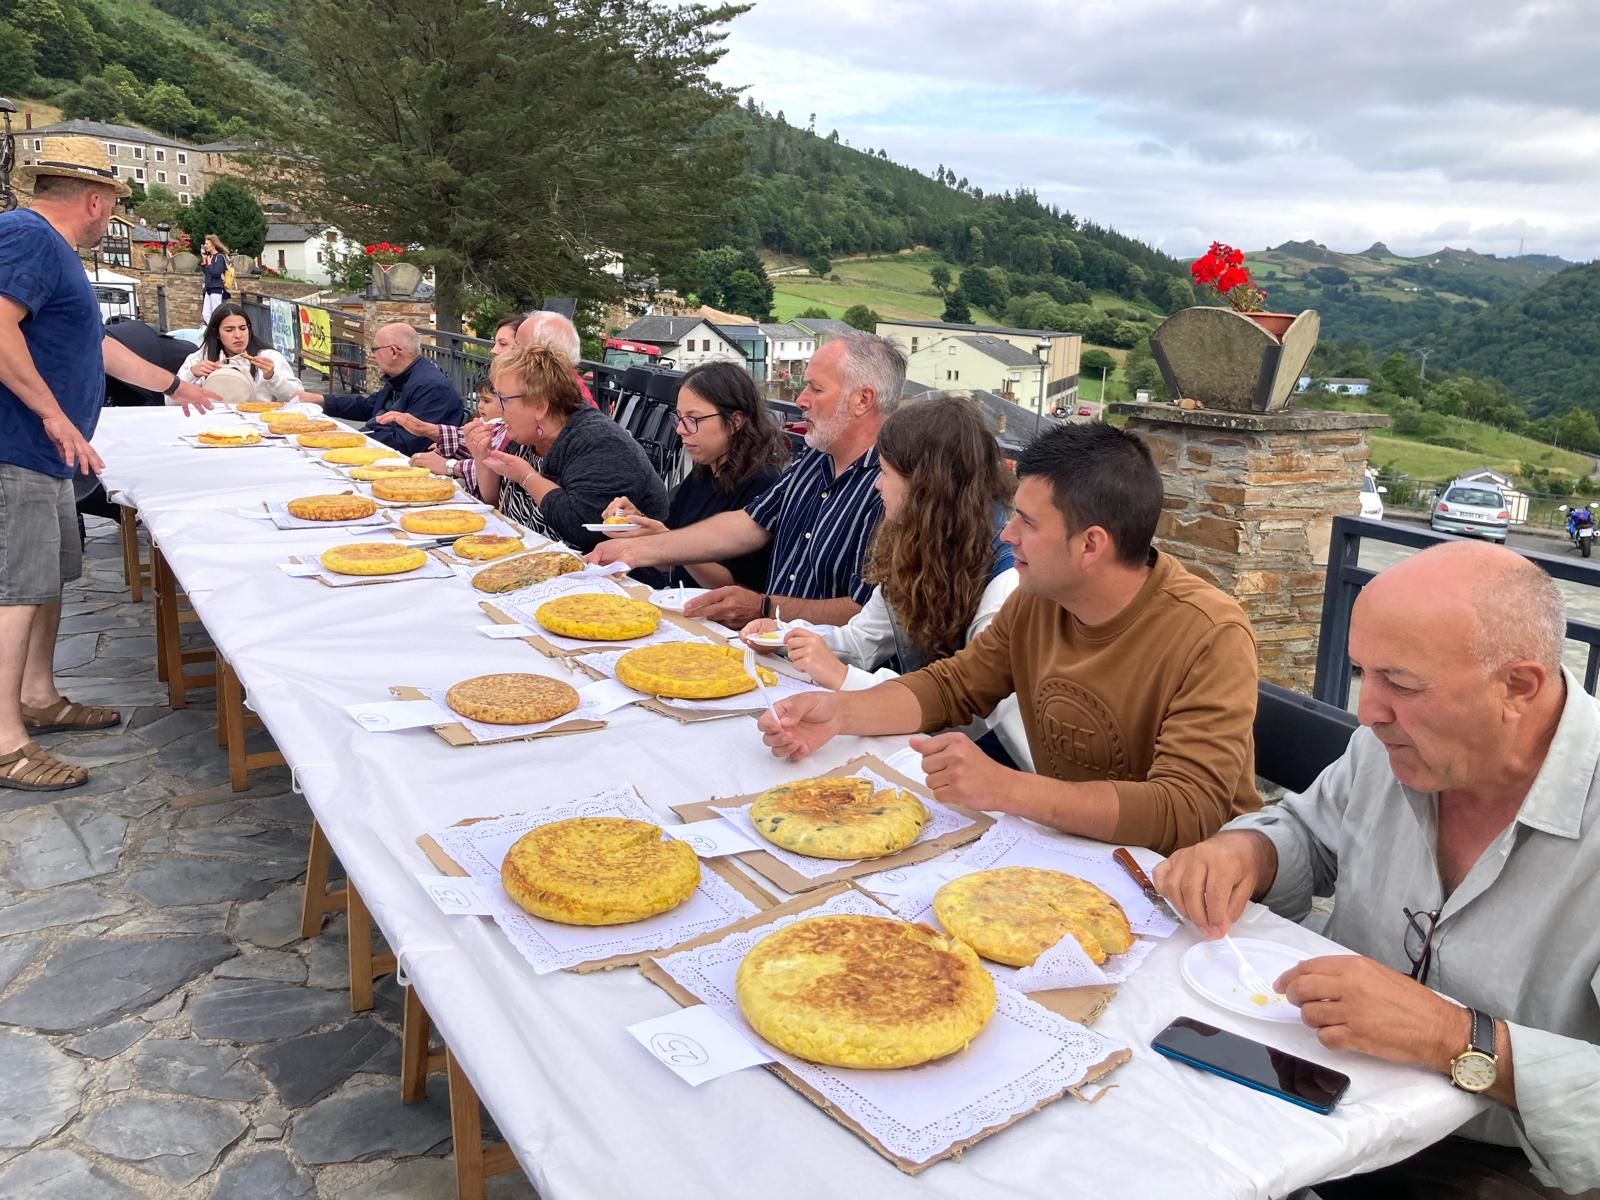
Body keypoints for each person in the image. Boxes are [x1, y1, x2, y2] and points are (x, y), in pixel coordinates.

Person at [1155, 542, 1599, 1199]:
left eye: (1403, 684)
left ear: (1519, 687)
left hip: (1507, 1164)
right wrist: (1249, 852)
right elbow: (1309, 832)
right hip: (1327, 1092)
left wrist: (1451, 1038)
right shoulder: (1383, 750)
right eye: (1363, 673)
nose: (1367, 712)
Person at [756, 421, 1262, 853]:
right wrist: (839, 713)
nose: (1007, 535)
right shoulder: (1039, 597)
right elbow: (955, 686)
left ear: (1091, 545)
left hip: (1180, 892)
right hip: (1066, 850)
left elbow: (1188, 809)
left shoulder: (1210, 635)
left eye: (1026, 521)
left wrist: (1009, 789)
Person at [0, 162, 217, 792]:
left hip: (44, 453)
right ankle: (8, 744)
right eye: (114, 206)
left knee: (42, 581)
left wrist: (175, 385)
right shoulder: (28, 237)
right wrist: (53, 415)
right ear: (96, 202)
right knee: (15, 590)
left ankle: (38, 696)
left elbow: (95, 345)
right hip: (19, 445)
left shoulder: (51, 249)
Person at [741, 392, 1029, 767]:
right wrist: (786, 636)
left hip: (986, 766)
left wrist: (845, 681)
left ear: (927, 489)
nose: (877, 486)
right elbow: (863, 639)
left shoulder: (1006, 583)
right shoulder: (915, 544)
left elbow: (971, 711)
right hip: (926, 746)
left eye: (885, 473)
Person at [588, 331, 903, 627]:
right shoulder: (813, 460)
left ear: (863, 399)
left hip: (824, 669)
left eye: (816, 389)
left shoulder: (896, 489)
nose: (800, 400)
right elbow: (748, 524)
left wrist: (765, 608)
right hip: (768, 650)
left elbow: (869, 615)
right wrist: (640, 549)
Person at [600, 361, 788, 591]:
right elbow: (668, 561)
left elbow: (732, 588)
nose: (679, 429)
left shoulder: (763, 483)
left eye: (693, 419)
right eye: (678, 418)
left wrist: (670, 543)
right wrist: (637, 522)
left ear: (735, 421)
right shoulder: (707, 470)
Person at [473, 344, 665, 550]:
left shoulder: (600, 443)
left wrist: (527, 477)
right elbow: (495, 504)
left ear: (540, 406)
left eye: (503, 400)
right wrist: (482, 458)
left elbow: (583, 529)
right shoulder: (527, 436)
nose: (500, 411)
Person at [377, 313, 520, 488]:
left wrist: (450, 466)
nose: (493, 350)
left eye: (503, 344)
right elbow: (481, 446)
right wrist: (427, 430)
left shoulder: (430, 383)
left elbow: (503, 467)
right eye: (495, 342)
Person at [295, 322, 462, 455]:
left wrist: (344, 440)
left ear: (394, 351)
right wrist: (321, 400)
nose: (372, 355)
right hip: (378, 448)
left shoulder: (431, 386)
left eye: (375, 349)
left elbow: (406, 443)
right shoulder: (403, 376)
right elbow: (368, 406)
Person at [177, 301, 300, 405]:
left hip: (259, 424)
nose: (238, 335)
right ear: (216, 333)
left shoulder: (269, 357)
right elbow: (170, 402)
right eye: (229, 330)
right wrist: (191, 374)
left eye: (242, 328)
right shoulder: (199, 359)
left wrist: (273, 376)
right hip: (212, 425)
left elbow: (298, 398)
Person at [515, 310, 597, 407]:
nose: (509, 354)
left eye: (516, 347)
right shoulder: (568, 390)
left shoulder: (562, 403)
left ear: (541, 355)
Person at [199, 233, 230, 323]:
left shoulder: (219, 257)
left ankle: (217, 331)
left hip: (216, 288)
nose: (205, 246)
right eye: (205, 244)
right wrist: (204, 260)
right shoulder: (210, 257)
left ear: (213, 244)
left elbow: (216, 273)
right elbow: (207, 272)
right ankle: (211, 330)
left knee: (216, 313)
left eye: (207, 244)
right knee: (206, 314)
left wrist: (209, 264)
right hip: (209, 288)